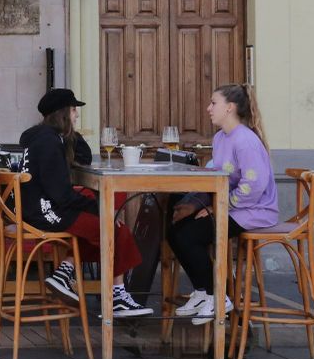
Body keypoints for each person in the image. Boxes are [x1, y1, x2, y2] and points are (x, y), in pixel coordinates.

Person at [19, 88, 153, 318]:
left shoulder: (44, 137)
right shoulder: (49, 144)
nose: (77, 115)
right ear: (62, 113)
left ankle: (66, 270)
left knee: (106, 223)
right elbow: (62, 195)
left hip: (37, 207)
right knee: (112, 228)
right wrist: (103, 211)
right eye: (73, 111)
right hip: (45, 212)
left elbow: (85, 156)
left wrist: (71, 133)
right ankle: (117, 295)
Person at [167, 84, 280, 326]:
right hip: (229, 207)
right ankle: (201, 292)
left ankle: (218, 296)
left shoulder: (245, 140)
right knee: (174, 229)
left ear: (229, 108)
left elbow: (254, 185)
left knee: (190, 236)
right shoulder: (220, 138)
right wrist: (195, 205)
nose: (208, 108)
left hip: (253, 211)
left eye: (213, 103)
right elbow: (215, 177)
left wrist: (219, 207)